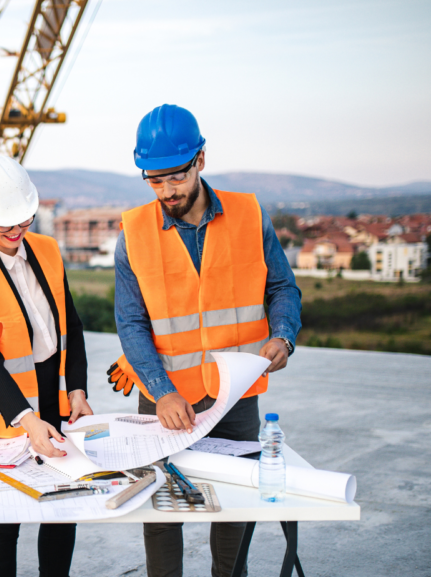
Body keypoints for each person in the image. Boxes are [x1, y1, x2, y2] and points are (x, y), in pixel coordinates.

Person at [108, 104, 302, 577]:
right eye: (154, 181)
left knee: (235, 503)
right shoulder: (132, 233)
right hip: (165, 396)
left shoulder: (249, 214)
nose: (166, 191)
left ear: (200, 161)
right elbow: (131, 323)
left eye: (175, 177)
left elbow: (282, 287)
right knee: (162, 507)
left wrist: (283, 335)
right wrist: (161, 388)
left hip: (235, 394)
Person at [0, 156, 93, 577]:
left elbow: (72, 324)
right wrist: (25, 419)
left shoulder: (47, 250)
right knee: (4, 513)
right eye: (4, 226)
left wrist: (77, 390)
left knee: (62, 501)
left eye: (23, 221)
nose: (15, 233)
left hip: (50, 391)